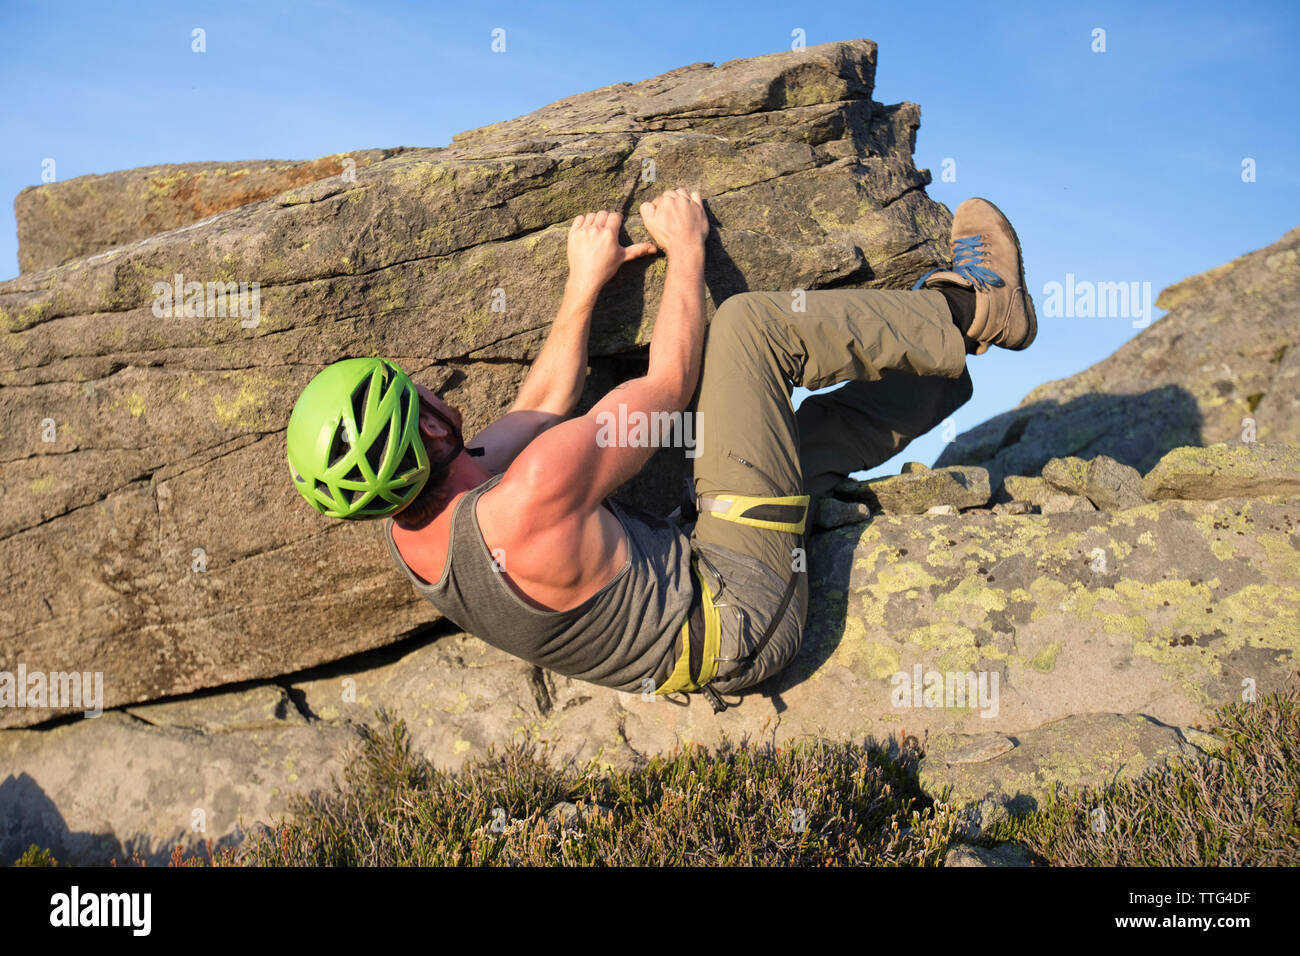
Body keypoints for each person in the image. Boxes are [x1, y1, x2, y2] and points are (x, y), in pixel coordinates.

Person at [286, 190, 1036, 711]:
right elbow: (671, 383)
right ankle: (974, 307)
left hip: (700, 622)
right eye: (421, 398)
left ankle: (929, 376)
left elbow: (539, 406)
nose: (439, 397)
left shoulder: (410, 529)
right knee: (751, 330)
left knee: (762, 445)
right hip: (745, 610)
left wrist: (586, 284)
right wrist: (687, 250)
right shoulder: (533, 492)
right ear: (434, 432)